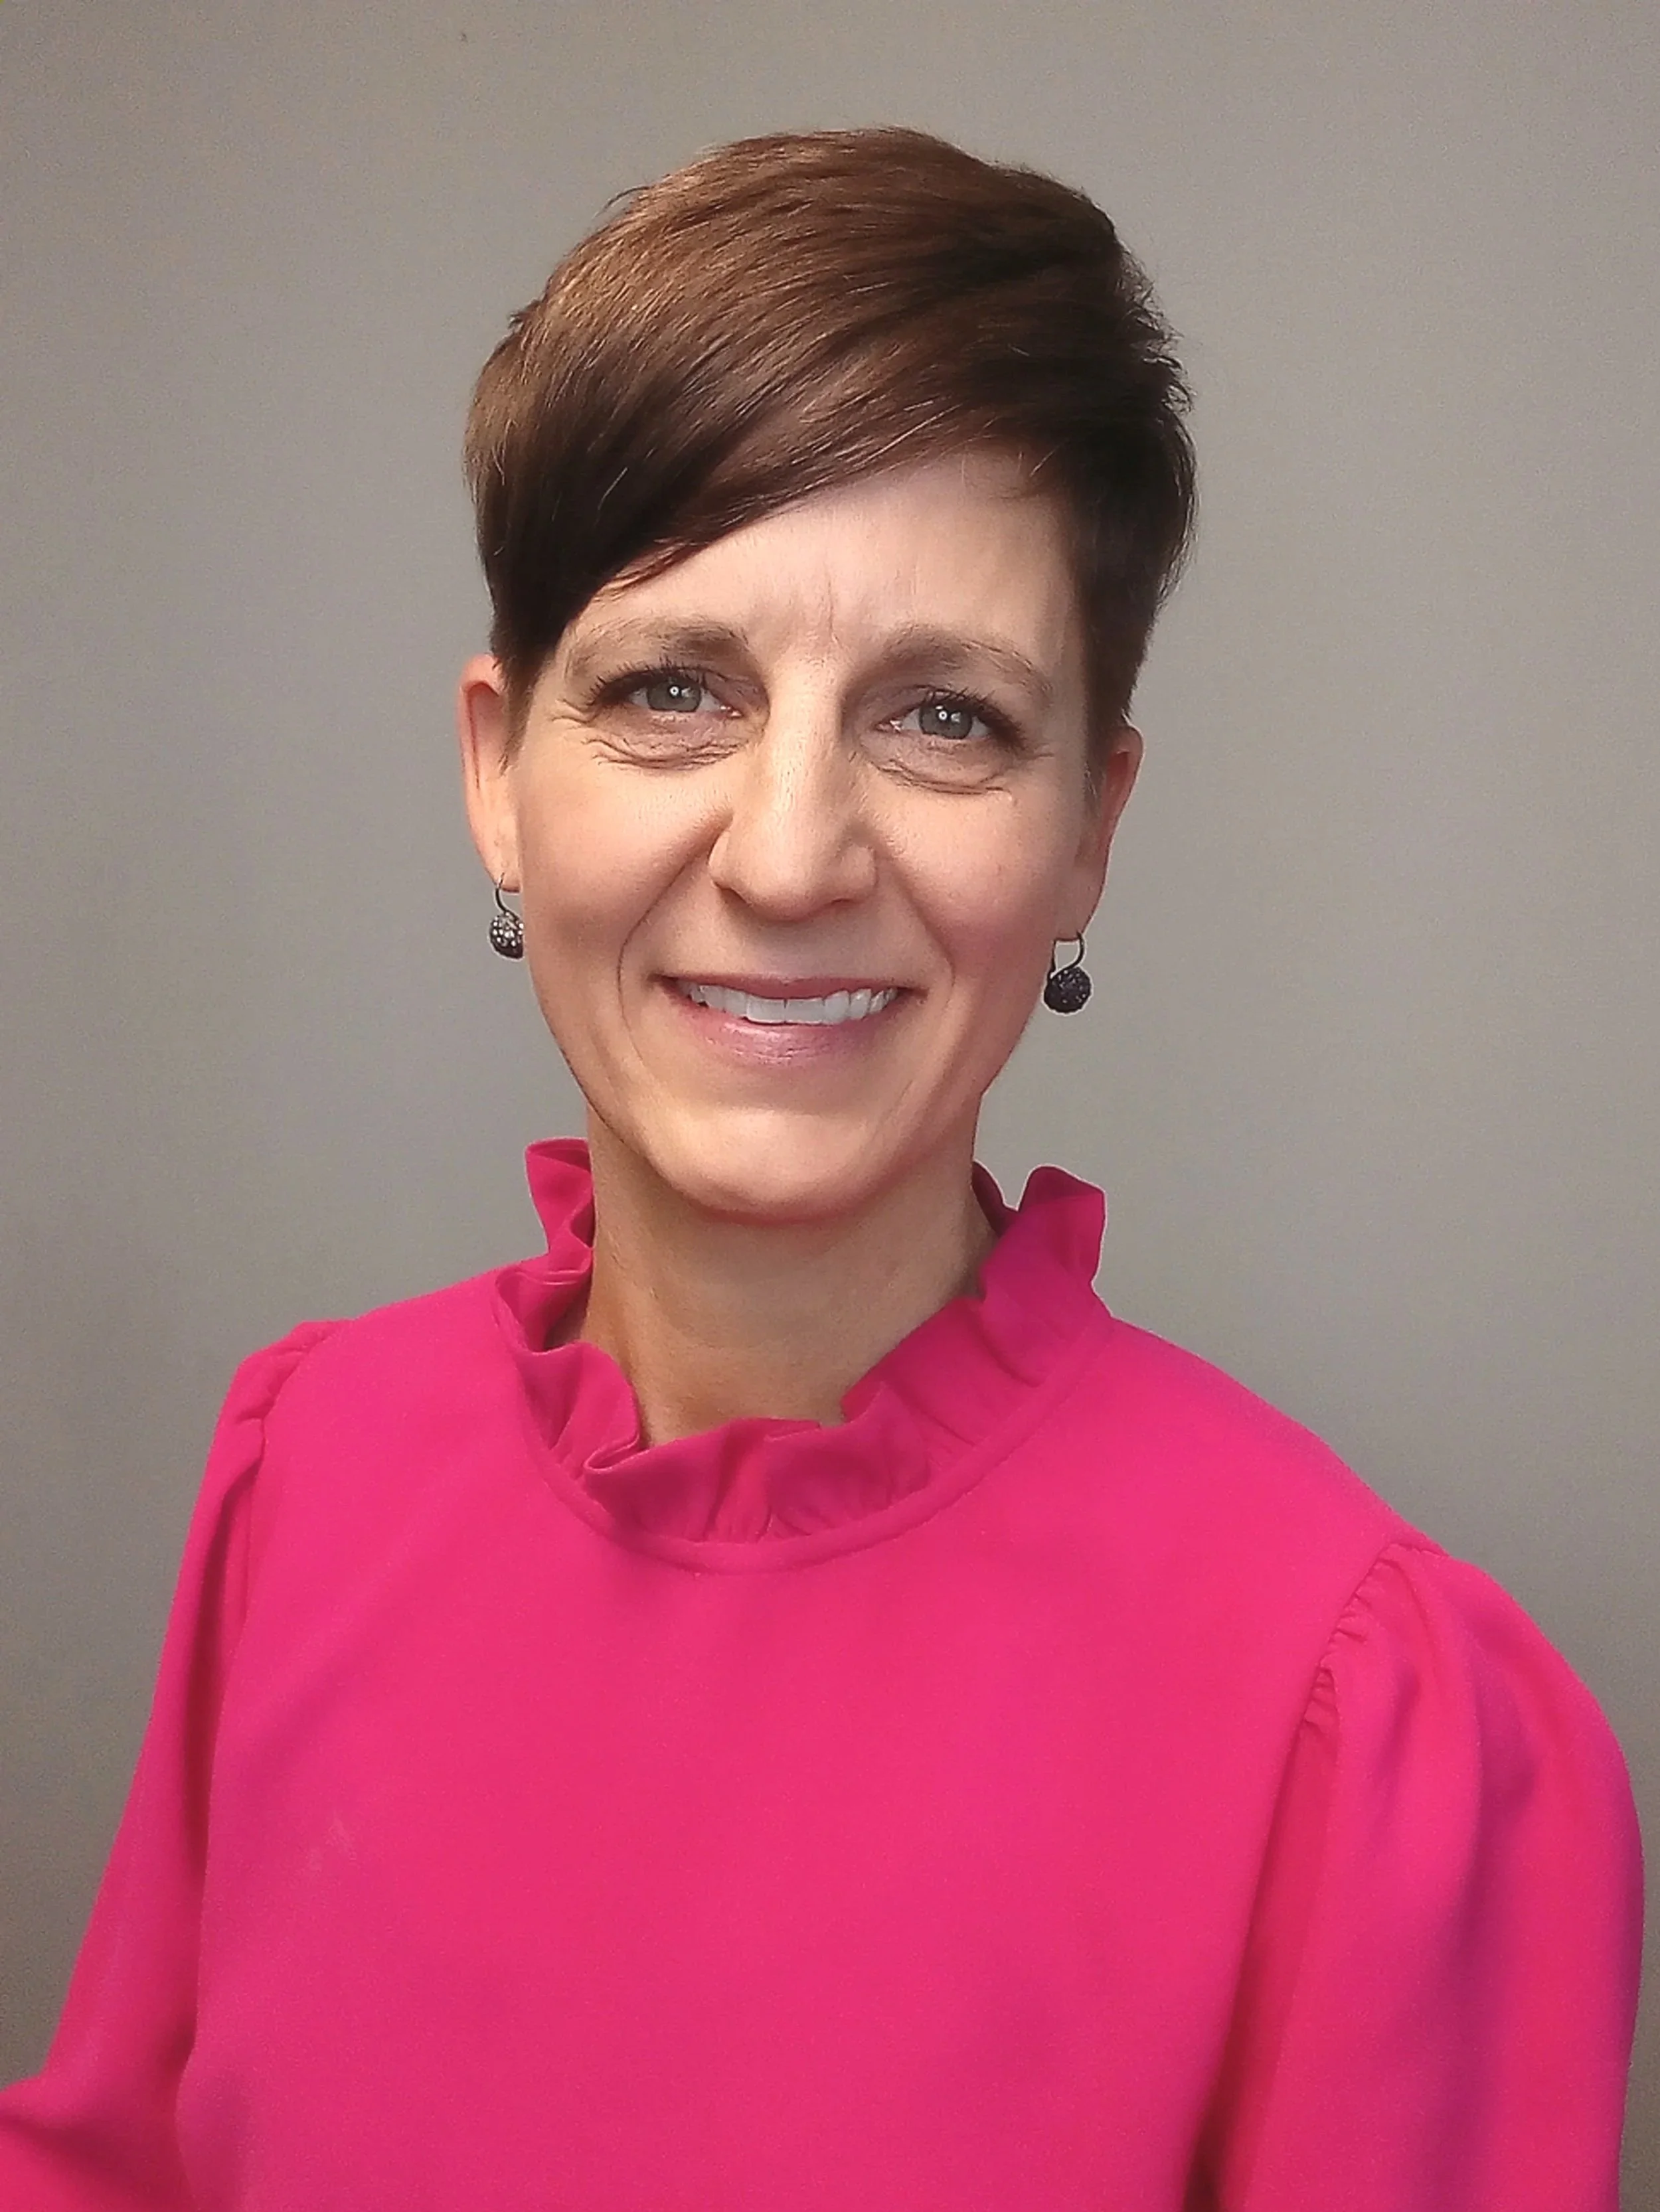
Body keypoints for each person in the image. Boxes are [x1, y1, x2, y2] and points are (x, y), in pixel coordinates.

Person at [0, 126, 1641, 2212]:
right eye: (672, 689)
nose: (787, 856)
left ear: (1086, 830)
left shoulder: (1367, 1718)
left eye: (943, 718)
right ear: (500, 773)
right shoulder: (301, 1463)